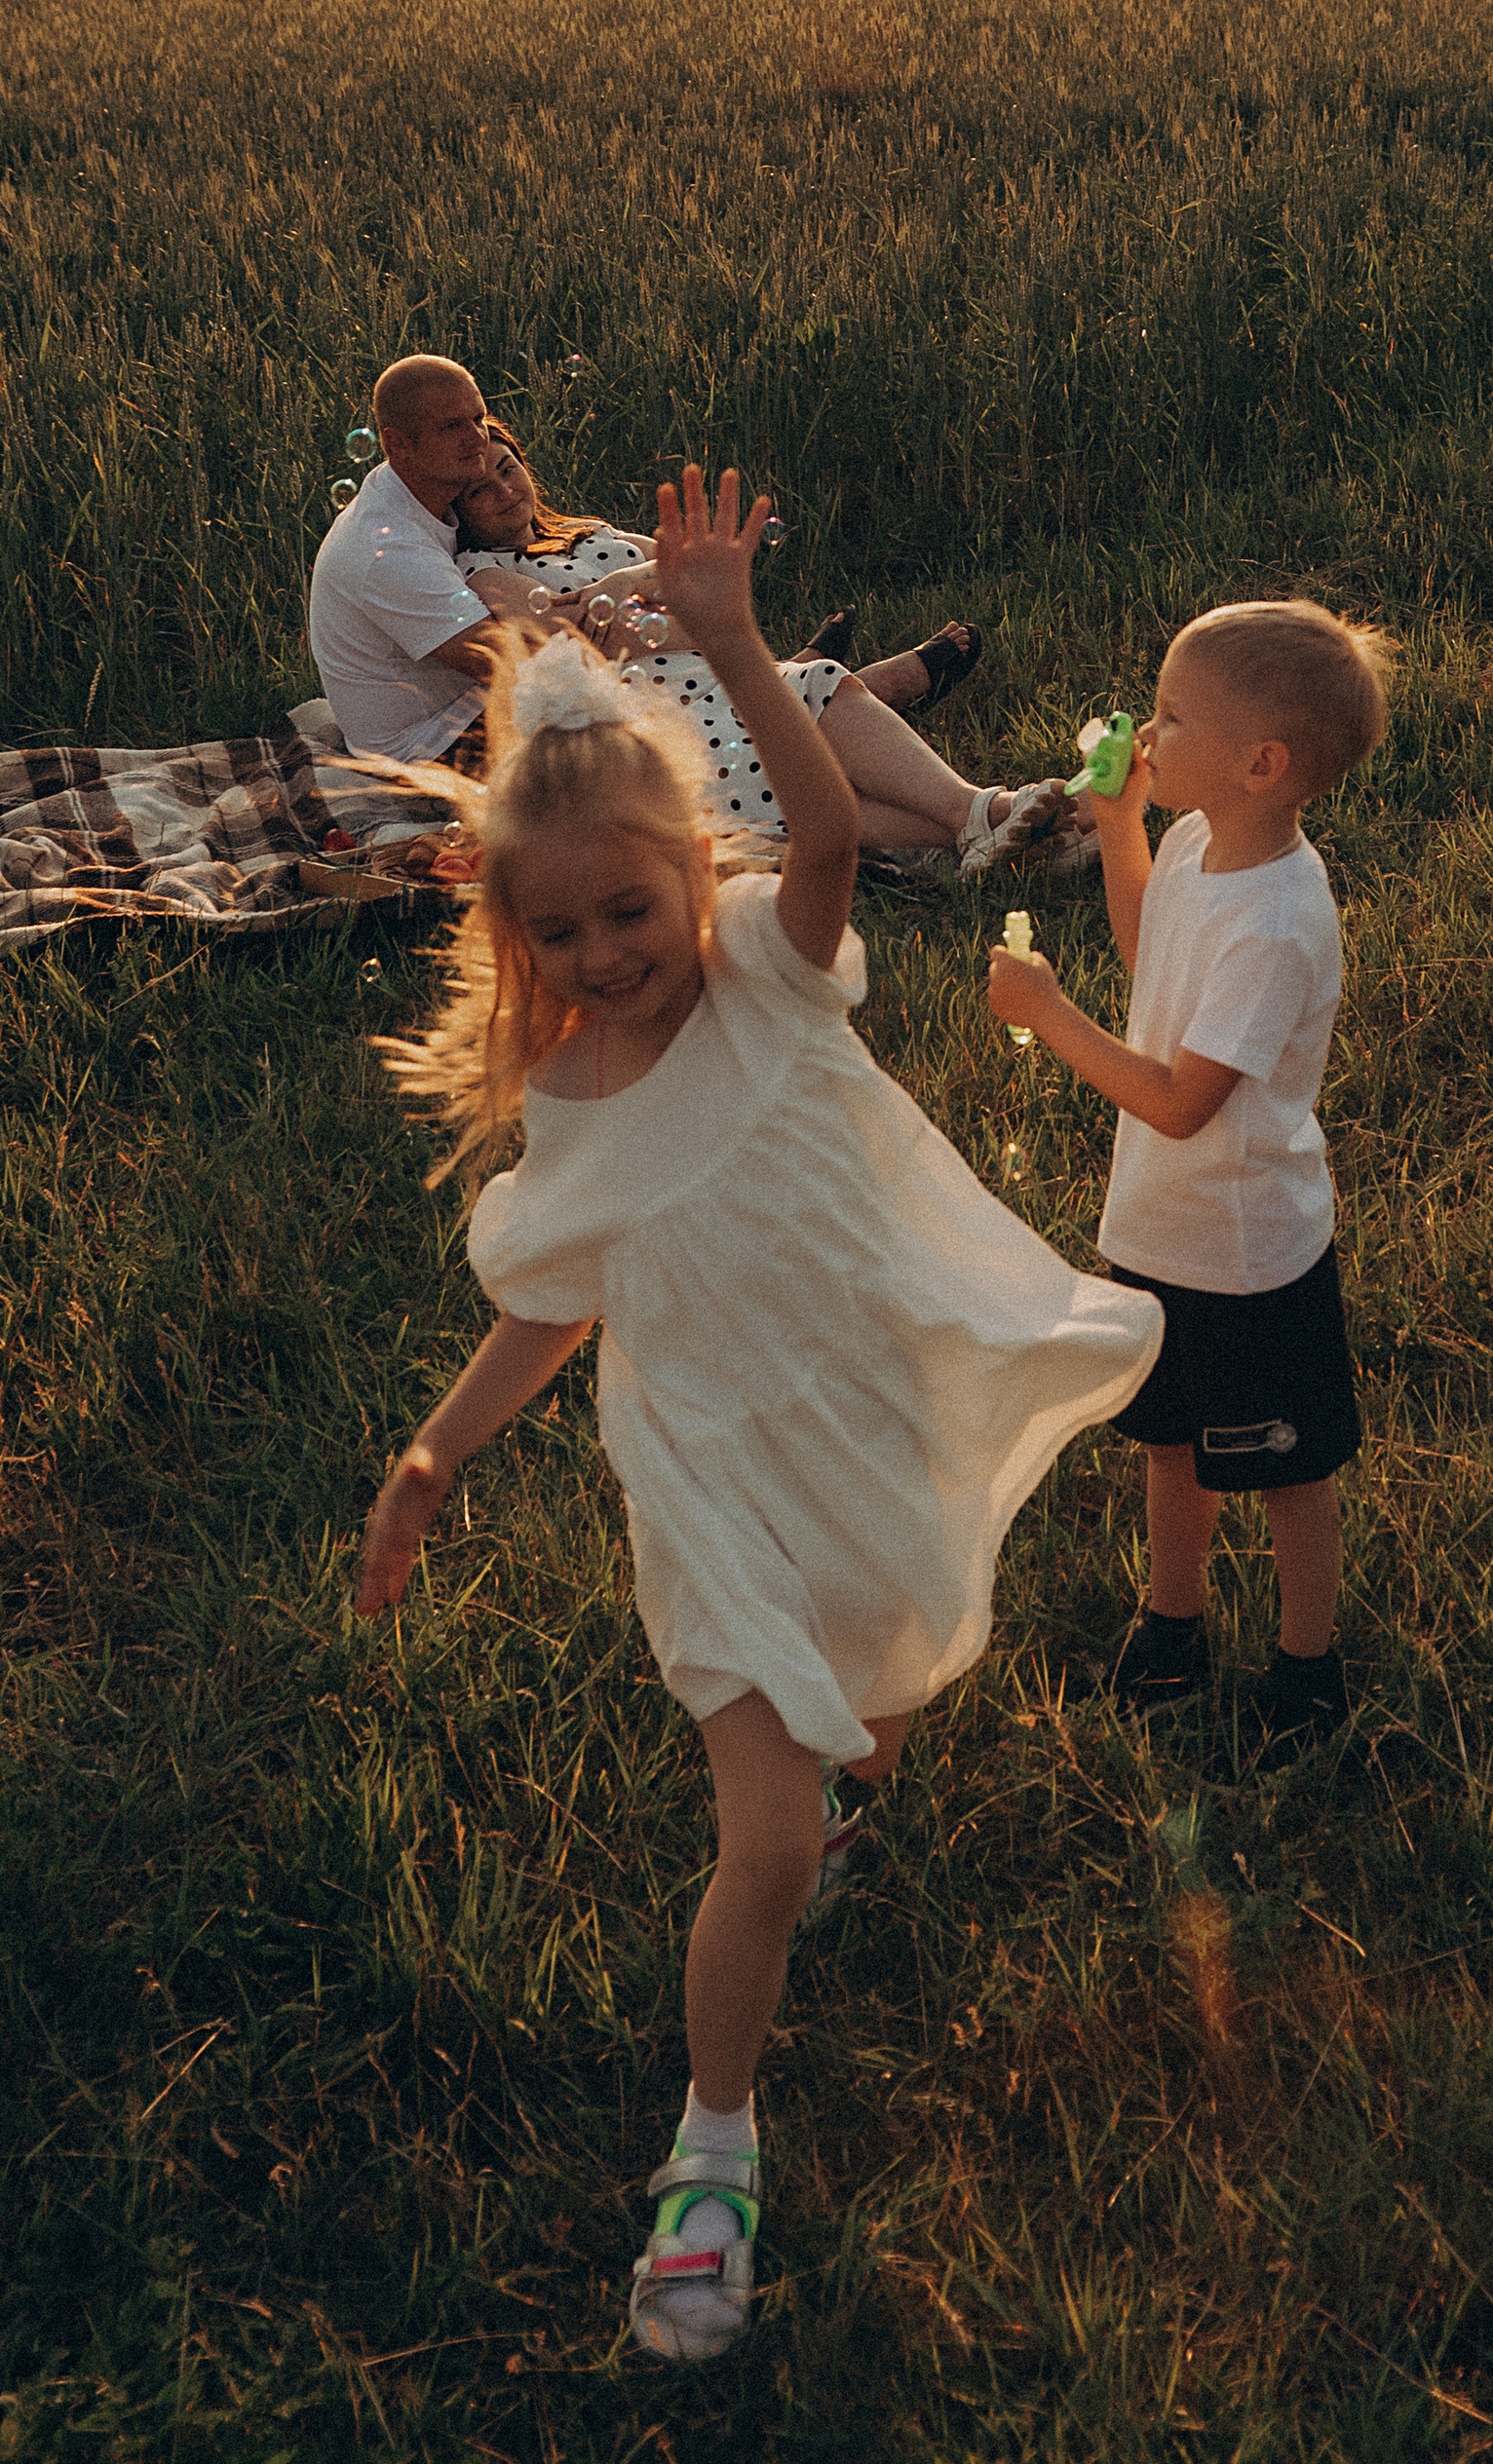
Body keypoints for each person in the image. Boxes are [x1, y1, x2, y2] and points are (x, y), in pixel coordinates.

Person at [353, 471, 1162, 2364]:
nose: (606, 952)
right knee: (771, 1835)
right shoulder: (574, 1101)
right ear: (516, 943)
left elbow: (819, 817)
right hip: (707, 1470)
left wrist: (727, 639)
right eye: (558, 934)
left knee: (876, 1671)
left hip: (857, 1413)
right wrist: (429, 1451)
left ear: (683, 870)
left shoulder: (778, 983)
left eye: (629, 906)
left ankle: (850, 1769)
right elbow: (552, 1298)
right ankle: (708, 2150)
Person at [986, 599, 1394, 1757]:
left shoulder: (1277, 921)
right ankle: (1175, 1620)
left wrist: (1049, 1016)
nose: (1145, 730)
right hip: (1164, 1231)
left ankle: (1306, 1666)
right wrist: (1122, 825)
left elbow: (1178, 1101)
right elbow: (1146, 946)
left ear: (1261, 762)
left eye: (1171, 716)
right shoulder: (1203, 846)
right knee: (1172, 1440)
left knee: (1284, 1466)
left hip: (1249, 1247)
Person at [455, 426, 1065, 873]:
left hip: (722, 672)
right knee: (769, 766)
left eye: (509, 468)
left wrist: (618, 588)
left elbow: (707, 585)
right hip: (651, 713)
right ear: (460, 512)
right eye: (481, 490)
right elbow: (587, 647)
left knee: (819, 679)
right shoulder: (482, 573)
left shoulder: (595, 534)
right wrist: (661, 601)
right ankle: (994, 819)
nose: (505, 491)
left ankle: (975, 819)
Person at [307, 356, 518, 763]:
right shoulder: (387, 550)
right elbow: (501, 659)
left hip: (465, 705)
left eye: (479, 418)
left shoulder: (428, 492)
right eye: (452, 427)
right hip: (427, 743)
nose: (476, 439)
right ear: (397, 444)